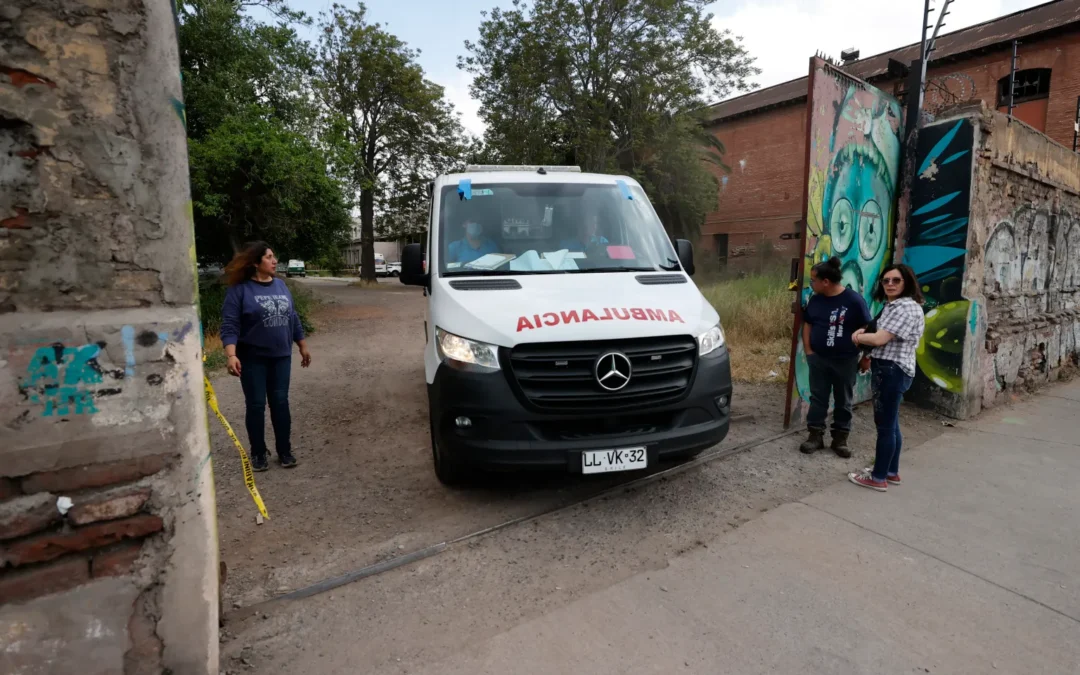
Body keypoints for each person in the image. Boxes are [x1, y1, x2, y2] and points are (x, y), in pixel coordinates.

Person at [220, 241, 312, 471]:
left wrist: (302, 345)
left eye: (274, 256)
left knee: (281, 403)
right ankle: (258, 453)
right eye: (269, 257)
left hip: (281, 356)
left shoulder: (281, 285)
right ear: (255, 262)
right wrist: (231, 355)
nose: (274, 261)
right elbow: (230, 324)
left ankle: (285, 451)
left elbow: (293, 317)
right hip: (252, 358)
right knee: (256, 405)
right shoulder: (240, 290)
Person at [848, 264, 926, 492]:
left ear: (907, 282)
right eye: (886, 281)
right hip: (891, 369)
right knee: (891, 425)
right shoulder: (894, 306)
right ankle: (890, 471)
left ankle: (878, 477)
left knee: (885, 427)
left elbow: (881, 339)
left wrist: (859, 337)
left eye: (896, 280)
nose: (890, 284)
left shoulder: (905, 308)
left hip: (892, 371)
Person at [799, 257, 872, 458]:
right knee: (818, 399)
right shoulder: (816, 300)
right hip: (819, 359)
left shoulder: (854, 301)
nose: (811, 284)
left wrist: (866, 356)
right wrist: (809, 351)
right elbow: (808, 324)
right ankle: (815, 436)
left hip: (846, 360)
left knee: (844, 400)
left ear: (826, 282)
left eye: (813, 280)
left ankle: (840, 439)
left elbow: (868, 328)